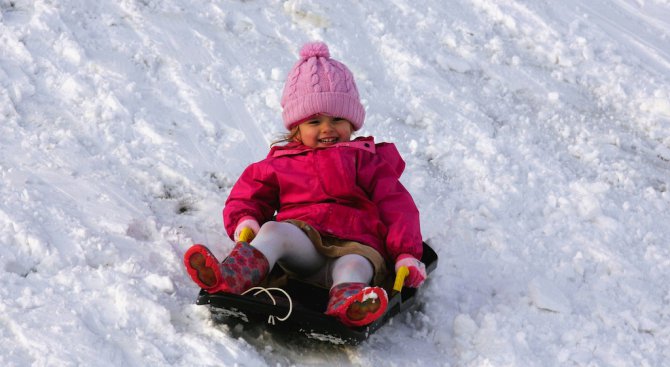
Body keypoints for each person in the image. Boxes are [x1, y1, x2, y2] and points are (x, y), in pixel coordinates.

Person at [184, 41, 427, 327]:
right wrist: (246, 220)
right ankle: (231, 277)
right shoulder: (282, 162)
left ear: (353, 124)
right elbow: (251, 192)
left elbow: (397, 207)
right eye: (314, 121)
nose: (327, 128)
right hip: (304, 250)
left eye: (338, 118)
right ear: (296, 127)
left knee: (354, 267)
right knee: (274, 229)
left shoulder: (368, 162)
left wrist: (406, 254)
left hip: (355, 247)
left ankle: (348, 306)